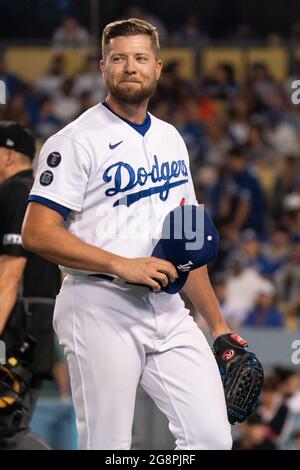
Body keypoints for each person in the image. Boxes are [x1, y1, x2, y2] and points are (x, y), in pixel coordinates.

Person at [22, 18, 233, 450]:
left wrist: (217, 326)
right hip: (100, 304)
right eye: (119, 58)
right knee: (108, 446)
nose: (129, 67)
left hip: (169, 309)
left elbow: (188, 239)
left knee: (212, 438)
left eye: (140, 58)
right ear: (103, 67)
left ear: (158, 67)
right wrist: (120, 263)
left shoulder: (172, 139)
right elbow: (37, 232)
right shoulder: (75, 140)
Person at [0, 122, 61, 449]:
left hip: (15, 325)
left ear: (9, 155)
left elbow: (11, 271)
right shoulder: (43, 195)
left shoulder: (13, 192)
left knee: (7, 429)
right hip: (39, 323)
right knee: (13, 422)